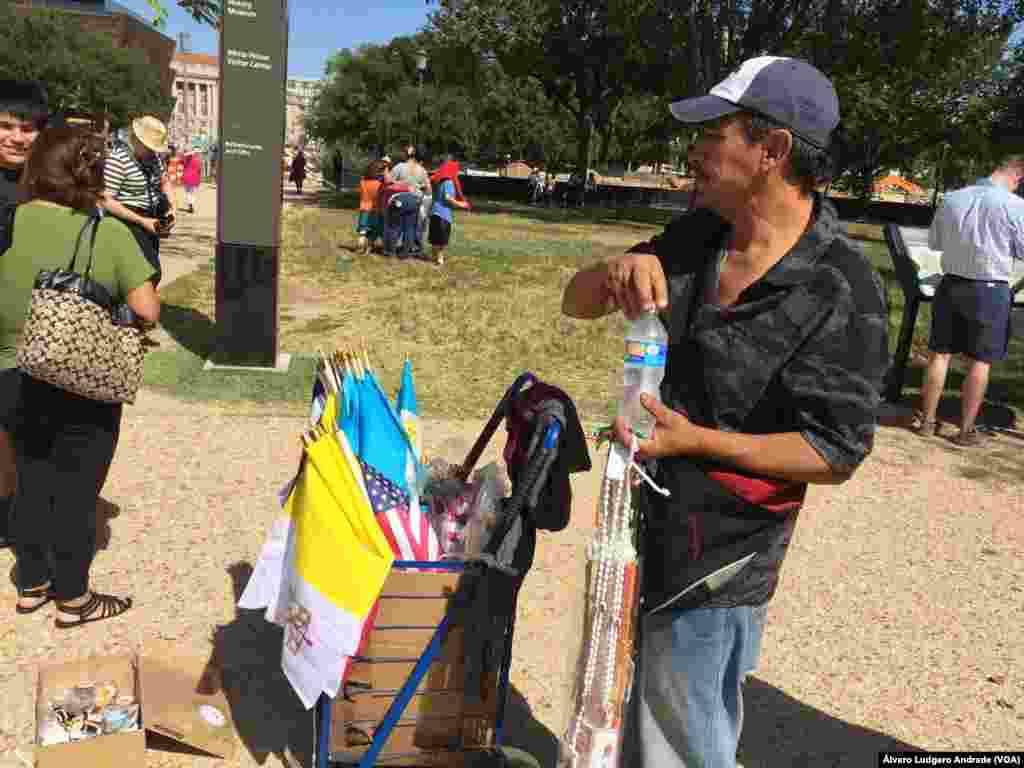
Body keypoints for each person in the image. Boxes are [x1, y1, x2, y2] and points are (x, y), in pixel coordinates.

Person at [561, 56, 888, 768]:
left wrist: (695, 442)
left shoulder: (842, 285)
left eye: (715, 133)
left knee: (682, 740)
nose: (695, 150)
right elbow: (574, 302)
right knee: (620, 714)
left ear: (772, 150)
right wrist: (615, 270)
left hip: (722, 557)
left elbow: (835, 451)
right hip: (640, 524)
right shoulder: (698, 235)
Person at [1, 125, 160, 624]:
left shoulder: (10, 220)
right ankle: (73, 598)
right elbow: (147, 309)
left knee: (30, 477)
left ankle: (31, 583)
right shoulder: (107, 233)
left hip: (12, 373)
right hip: (81, 379)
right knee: (76, 490)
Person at [912, 155, 1024, 447]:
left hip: (951, 284)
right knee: (980, 361)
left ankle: (927, 421)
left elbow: (935, 243)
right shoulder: (1015, 205)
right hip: (990, 288)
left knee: (939, 354)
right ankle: (965, 430)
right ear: (1018, 177)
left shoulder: (953, 198)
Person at [0, 79, 48, 550]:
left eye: (26, 128)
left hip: (35, 326)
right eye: (6, 126)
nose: (16, 137)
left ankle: (17, 509)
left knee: (22, 426)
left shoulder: (49, 182)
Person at [101, 115, 175, 286]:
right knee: (148, 274)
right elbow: (105, 199)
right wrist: (142, 221)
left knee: (150, 271)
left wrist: (173, 209)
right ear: (136, 140)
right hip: (127, 222)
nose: (152, 151)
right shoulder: (118, 160)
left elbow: (164, 182)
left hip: (150, 220)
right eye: (149, 147)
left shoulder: (154, 158)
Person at [428, 157, 470, 266]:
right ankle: (439, 259)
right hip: (443, 215)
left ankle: (435, 258)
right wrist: (461, 204)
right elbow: (448, 198)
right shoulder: (449, 182)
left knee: (435, 239)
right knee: (441, 240)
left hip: (434, 212)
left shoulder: (439, 182)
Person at [390, 145, 432, 253]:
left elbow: (389, 182)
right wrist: (420, 188)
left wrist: (399, 183)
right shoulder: (422, 170)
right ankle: (405, 251)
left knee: (395, 225)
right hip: (415, 201)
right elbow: (428, 190)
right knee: (410, 227)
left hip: (399, 199)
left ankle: (391, 249)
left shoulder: (399, 167)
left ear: (407, 155)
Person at [356, 159, 386, 253]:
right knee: (373, 230)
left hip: (364, 208)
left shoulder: (362, 182)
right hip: (375, 209)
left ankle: (360, 247)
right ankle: (369, 248)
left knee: (362, 230)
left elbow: (361, 193)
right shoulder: (380, 184)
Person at [181, 147, 202, 214]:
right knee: (192, 193)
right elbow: (199, 170)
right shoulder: (198, 159)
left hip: (186, 177)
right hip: (195, 178)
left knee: (188, 192)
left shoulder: (185, 159)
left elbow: (182, 161)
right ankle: (191, 204)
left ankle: (190, 205)